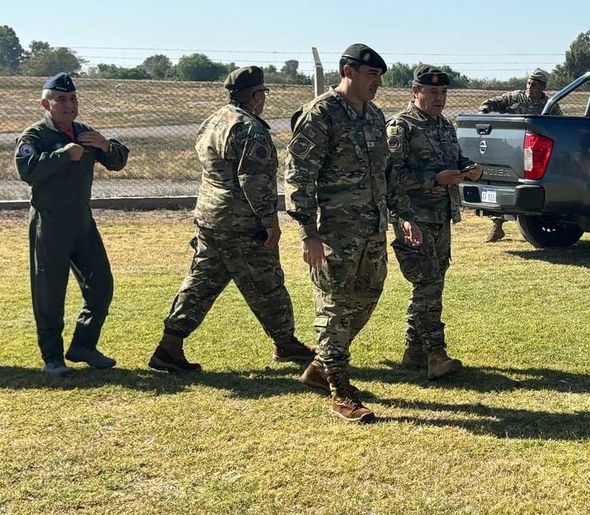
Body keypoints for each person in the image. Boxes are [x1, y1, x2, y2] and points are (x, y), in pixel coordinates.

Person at [285, 44, 420, 423]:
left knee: (367, 296)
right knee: (334, 305)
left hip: (373, 230)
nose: (378, 82)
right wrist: (307, 232)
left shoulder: (375, 117)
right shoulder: (321, 114)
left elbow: (386, 174)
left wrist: (403, 217)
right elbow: (298, 175)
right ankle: (341, 390)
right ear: (349, 70)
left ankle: (320, 365)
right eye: (371, 74)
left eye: (380, 75)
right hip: (334, 233)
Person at [150, 66, 314, 373]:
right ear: (254, 96)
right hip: (241, 223)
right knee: (268, 283)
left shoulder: (214, 120)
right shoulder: (249, 128)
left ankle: (169, 345)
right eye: (262, 93)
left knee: (201, 282)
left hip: (211, 217)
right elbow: (255, 181)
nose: (263, 99)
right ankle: (286, 342)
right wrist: (269, 221)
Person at [14, 73, 129, 377]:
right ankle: (52, 357)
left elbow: (118, 162)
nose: (69, 104)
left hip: (82, 222)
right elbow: (28, 170)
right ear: (46, 103)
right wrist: (62, 155)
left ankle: (83, 346)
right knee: (50, 292)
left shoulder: (84, 132)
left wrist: (106, 146)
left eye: (73, 98)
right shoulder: (35, 136)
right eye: (61, 100)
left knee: (101, 284)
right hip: (50, 223)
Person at [386, 65, 483, 380]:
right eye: (432, 92)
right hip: (413, 217)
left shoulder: (443, 125)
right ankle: (435, 354)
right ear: (415, 91)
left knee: (432, 282)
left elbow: (455, 160)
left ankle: (414, 351)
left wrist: (469, 168)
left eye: (443, 92)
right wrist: (433, 179)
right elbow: (391, 177)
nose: (440, 98)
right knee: (427, 283)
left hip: (441, 216)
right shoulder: (400, 128)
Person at [478, 68, 563, 243]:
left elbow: (559, 126)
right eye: (529, 83)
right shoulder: (515, 97)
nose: (531, 87)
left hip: (535, 152)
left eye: (536, 84)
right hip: (512, 149)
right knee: (502, 183)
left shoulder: (550, 105)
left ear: (543, 87)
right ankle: (497, 225)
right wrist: (486, 113)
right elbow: (490, 104)